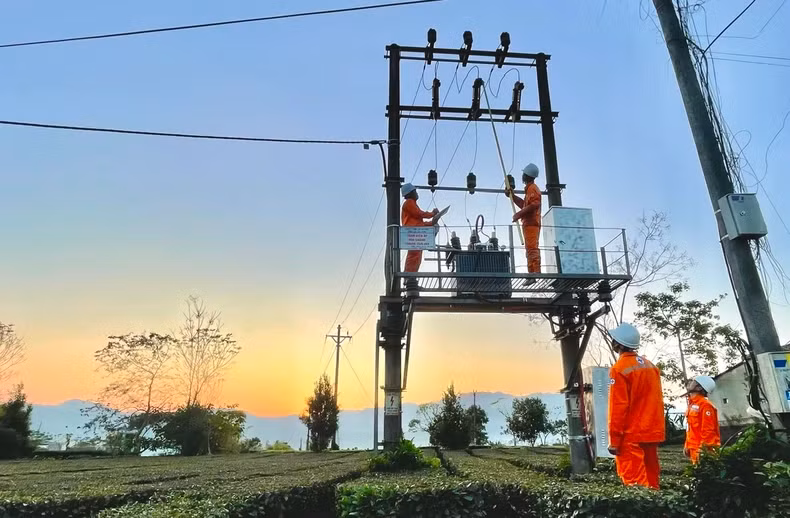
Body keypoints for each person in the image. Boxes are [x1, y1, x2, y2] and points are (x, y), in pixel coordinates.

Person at [607, 323, 666, 489]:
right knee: (653, 482)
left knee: (636, 485)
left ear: (618, 344)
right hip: (651, 432)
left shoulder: (619, 369)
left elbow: (618, 407)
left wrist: (615, 440)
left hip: (630, 435)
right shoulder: (651, 366)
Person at [505, 163, 542, 273]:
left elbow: (535, 204)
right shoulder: (530, 190)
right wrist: (513, 197)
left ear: (526, 175)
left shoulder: (533, 189)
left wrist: (519, 214)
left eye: (523, 174)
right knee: (529, 249)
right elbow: (525, 205)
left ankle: (535, 272)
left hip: (532, 224)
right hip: (529, 224)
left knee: (531, 248)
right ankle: (532, 272)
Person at [401, 182, 438, 273]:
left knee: (416, 256)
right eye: (415, 191)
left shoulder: (411, 203)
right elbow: (419, 214)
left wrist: (431, 223)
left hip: (415, 232)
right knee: (414, 255)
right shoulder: (408, 203)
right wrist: (432, 214)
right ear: (410, 193)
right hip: (412, 232)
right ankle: (409, 277)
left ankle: (412, 277)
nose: (416, 193)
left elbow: (419, 223)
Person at [684, 375, 721, 464]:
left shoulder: (705, 405)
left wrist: (703, 450)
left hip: (703, 450)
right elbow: (690, 428)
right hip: (693, 448)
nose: (690, 383)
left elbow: (708, 430)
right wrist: (687, 445)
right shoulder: (692, 404)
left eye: (693, 381)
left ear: (699, 388)